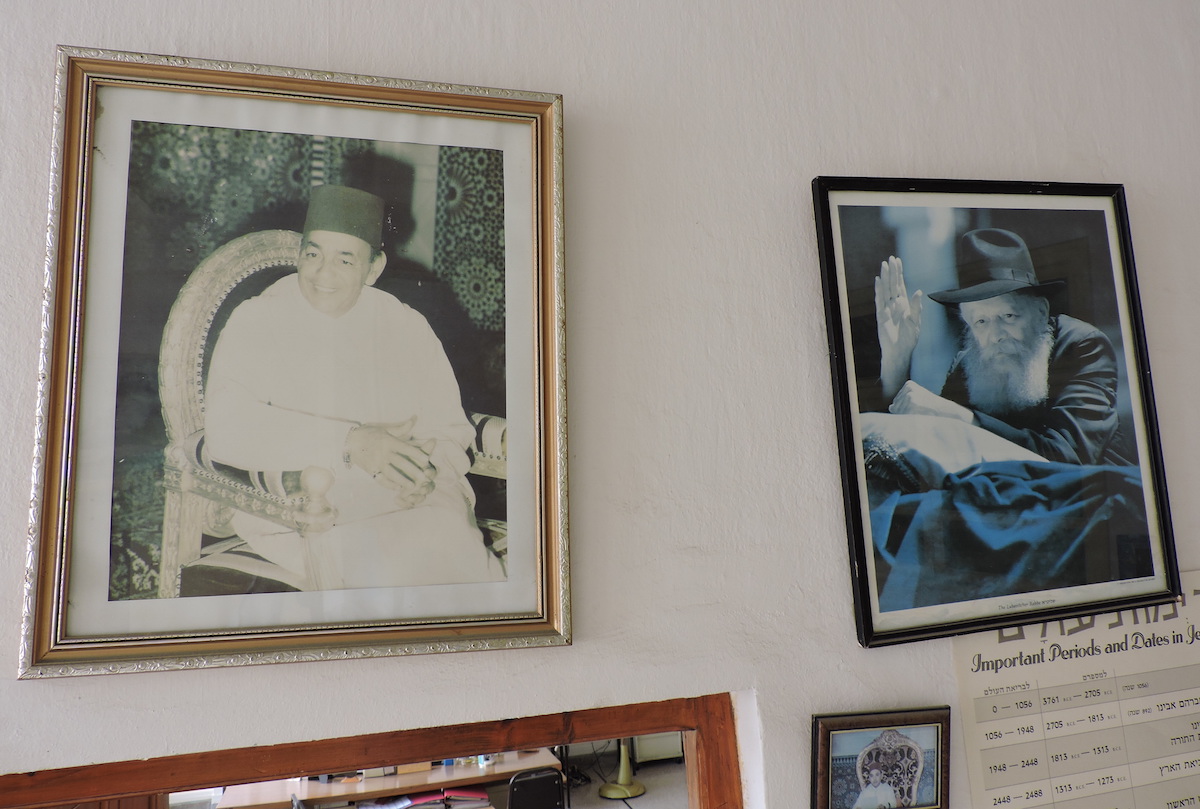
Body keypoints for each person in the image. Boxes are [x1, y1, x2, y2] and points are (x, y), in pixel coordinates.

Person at [204, 185, 502, 591]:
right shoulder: (257, 319)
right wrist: (350, 443)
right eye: (313, 254)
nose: (323, 274)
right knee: (401, 567)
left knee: (456, 554)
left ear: (373, 268)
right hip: (301, 510)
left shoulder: (405, 325)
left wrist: (424, 473)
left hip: (412, 500)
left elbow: (448, 429)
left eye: (345, 260)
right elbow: (226, 429)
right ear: (299, 254)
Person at [873, 227, 1128, 465]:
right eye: (981, 321)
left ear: (1040, 312)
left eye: (1008, 317)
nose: (995, 335)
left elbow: (1067, 457)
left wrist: (960, 417)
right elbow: (912, 447)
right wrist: (896, 361)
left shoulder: (1082, 346)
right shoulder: (970, 363)